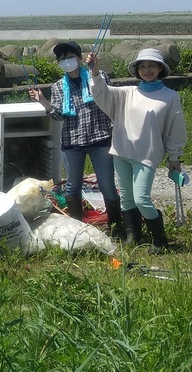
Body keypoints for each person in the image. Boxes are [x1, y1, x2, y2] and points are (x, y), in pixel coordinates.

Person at [88, 48, 187, 251]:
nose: (147, 70)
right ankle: (133, 236)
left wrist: (174, 156)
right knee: (126, 197)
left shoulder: (170, 97)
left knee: (142, 199)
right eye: (142, 66)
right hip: (121, 151)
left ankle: (160, 240)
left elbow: (176, 129)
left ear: (160, 68)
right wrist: (95, 72)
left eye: (151, 65)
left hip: (147, 155)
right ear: (137, 70)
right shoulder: (126, 92)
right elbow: (100, 93)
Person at [28, 40, 122, 237]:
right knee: (71, 189)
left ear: (79, 58)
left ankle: (117, 229)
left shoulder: (97, 77)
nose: (67, 61)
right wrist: (42, 100)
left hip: (101, 138)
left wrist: (95, 70)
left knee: (108, 188)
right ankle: (77, 230)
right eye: (62, 59)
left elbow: (108, 96)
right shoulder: (58, 87)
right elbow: (58, 115)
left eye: (70, 57)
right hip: (72, 143)